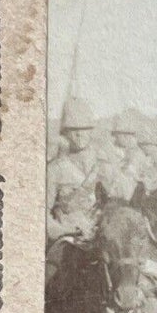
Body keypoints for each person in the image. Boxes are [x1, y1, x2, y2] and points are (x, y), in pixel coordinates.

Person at [46, 98, 102, 243]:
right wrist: (64, 231)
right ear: (64, 133)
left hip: (101, 236)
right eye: (73, 130)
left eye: (84, 130)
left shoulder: (101, 165)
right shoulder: (54, 170)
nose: (79, 134)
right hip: (68, 238)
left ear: (91, 131)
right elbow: (43, 213)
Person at [99, 114, 148, 203]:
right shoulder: (105, 152)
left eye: (130, 134)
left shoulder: (137, 153)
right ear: (115, 134)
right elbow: (105, 181)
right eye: (123, 134)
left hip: (134, 201)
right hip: (113, 200)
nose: (127, 137)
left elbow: (144, 177)